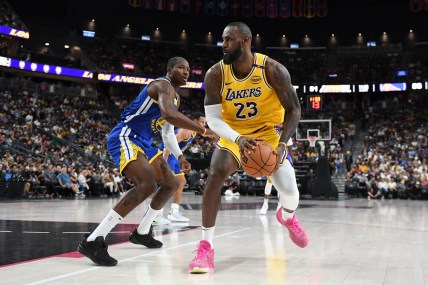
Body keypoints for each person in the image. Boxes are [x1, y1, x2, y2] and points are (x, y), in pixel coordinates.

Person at [188, 22, 308, 274]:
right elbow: (213, 119)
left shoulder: (273, 70)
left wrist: (284, 143)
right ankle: (205, 247)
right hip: (234, 135)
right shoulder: (215, 74)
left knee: (291, 194)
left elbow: (294, 110)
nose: (223, 45)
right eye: (222, 39)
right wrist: (239, 139)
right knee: (215, 175)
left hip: (269, 137)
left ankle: (287, 217)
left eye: (228, 40)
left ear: (245, 41)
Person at [77, 57, 216, 267]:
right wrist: (204, 130)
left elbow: (168, 133)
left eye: (188, 69)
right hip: (126, 135)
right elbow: (170, 114)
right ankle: (93, 240)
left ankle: (142, 232)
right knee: (147, 185)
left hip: (144, 143)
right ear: (169, 70)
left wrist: (179, 156)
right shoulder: (162, 85)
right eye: (181, 68)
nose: (186, 72)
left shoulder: (176, 98)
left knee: (171, 183)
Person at [155, 112, 215, 223]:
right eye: (202, 122)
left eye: (205, 123)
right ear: (195, 121)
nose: (204, 125)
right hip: (167, 154)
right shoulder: (185, 130)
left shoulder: (194, 130)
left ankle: (174, 212)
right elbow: (169, 143)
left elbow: (205, 133)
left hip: (175, 157)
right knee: (167, 184)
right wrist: (164, 161)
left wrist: (214, 135)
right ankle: (156, 214)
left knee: (181, 181)